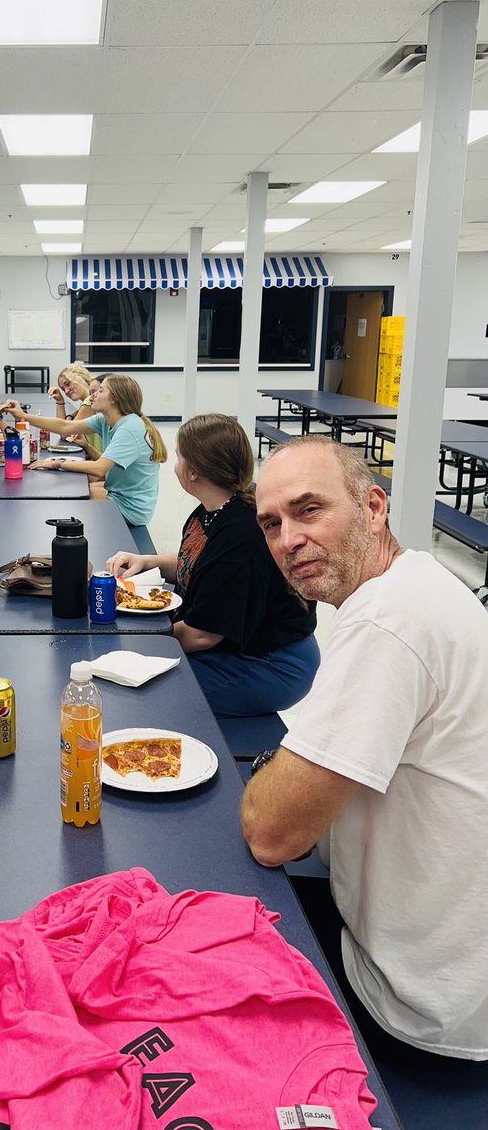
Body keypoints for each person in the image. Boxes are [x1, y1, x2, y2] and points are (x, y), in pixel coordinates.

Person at [243, 436, 488, 1061]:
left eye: (309, 510)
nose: (288, 540)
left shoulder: (388, 620)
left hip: (415, 1000)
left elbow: (272, 833)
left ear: (373, 507)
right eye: (271, 524)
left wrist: (275, 774)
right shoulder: (418, 582)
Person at [107, 414, 318, 716]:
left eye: (179, 457)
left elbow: (202, 635)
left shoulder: (240, 536)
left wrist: (134, 642)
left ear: (193, 471)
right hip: (237, 647)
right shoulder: (218, 508)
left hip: (270, 664)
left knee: (142, 691)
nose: (175, 465)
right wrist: (148, 561)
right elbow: (202, 562)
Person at [9, 375, 167, 526]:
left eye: (101, 391)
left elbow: (99, 468)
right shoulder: (105, 419)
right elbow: (65, 426)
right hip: (120, 493)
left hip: (131, 507)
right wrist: (23, 416)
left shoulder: (129, 428)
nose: (93, 395)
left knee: (70, 500)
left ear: (115, 399)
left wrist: (57, 463)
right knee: (75, 489)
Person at [48, 364, 102, 458]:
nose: (66, 391)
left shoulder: (89, 402)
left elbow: (65, 433)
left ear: (80, 378)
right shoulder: (87, 402)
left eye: (68, 384)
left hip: (101, 460)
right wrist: (70, 417)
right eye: (63, 389)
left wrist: (60, 403)